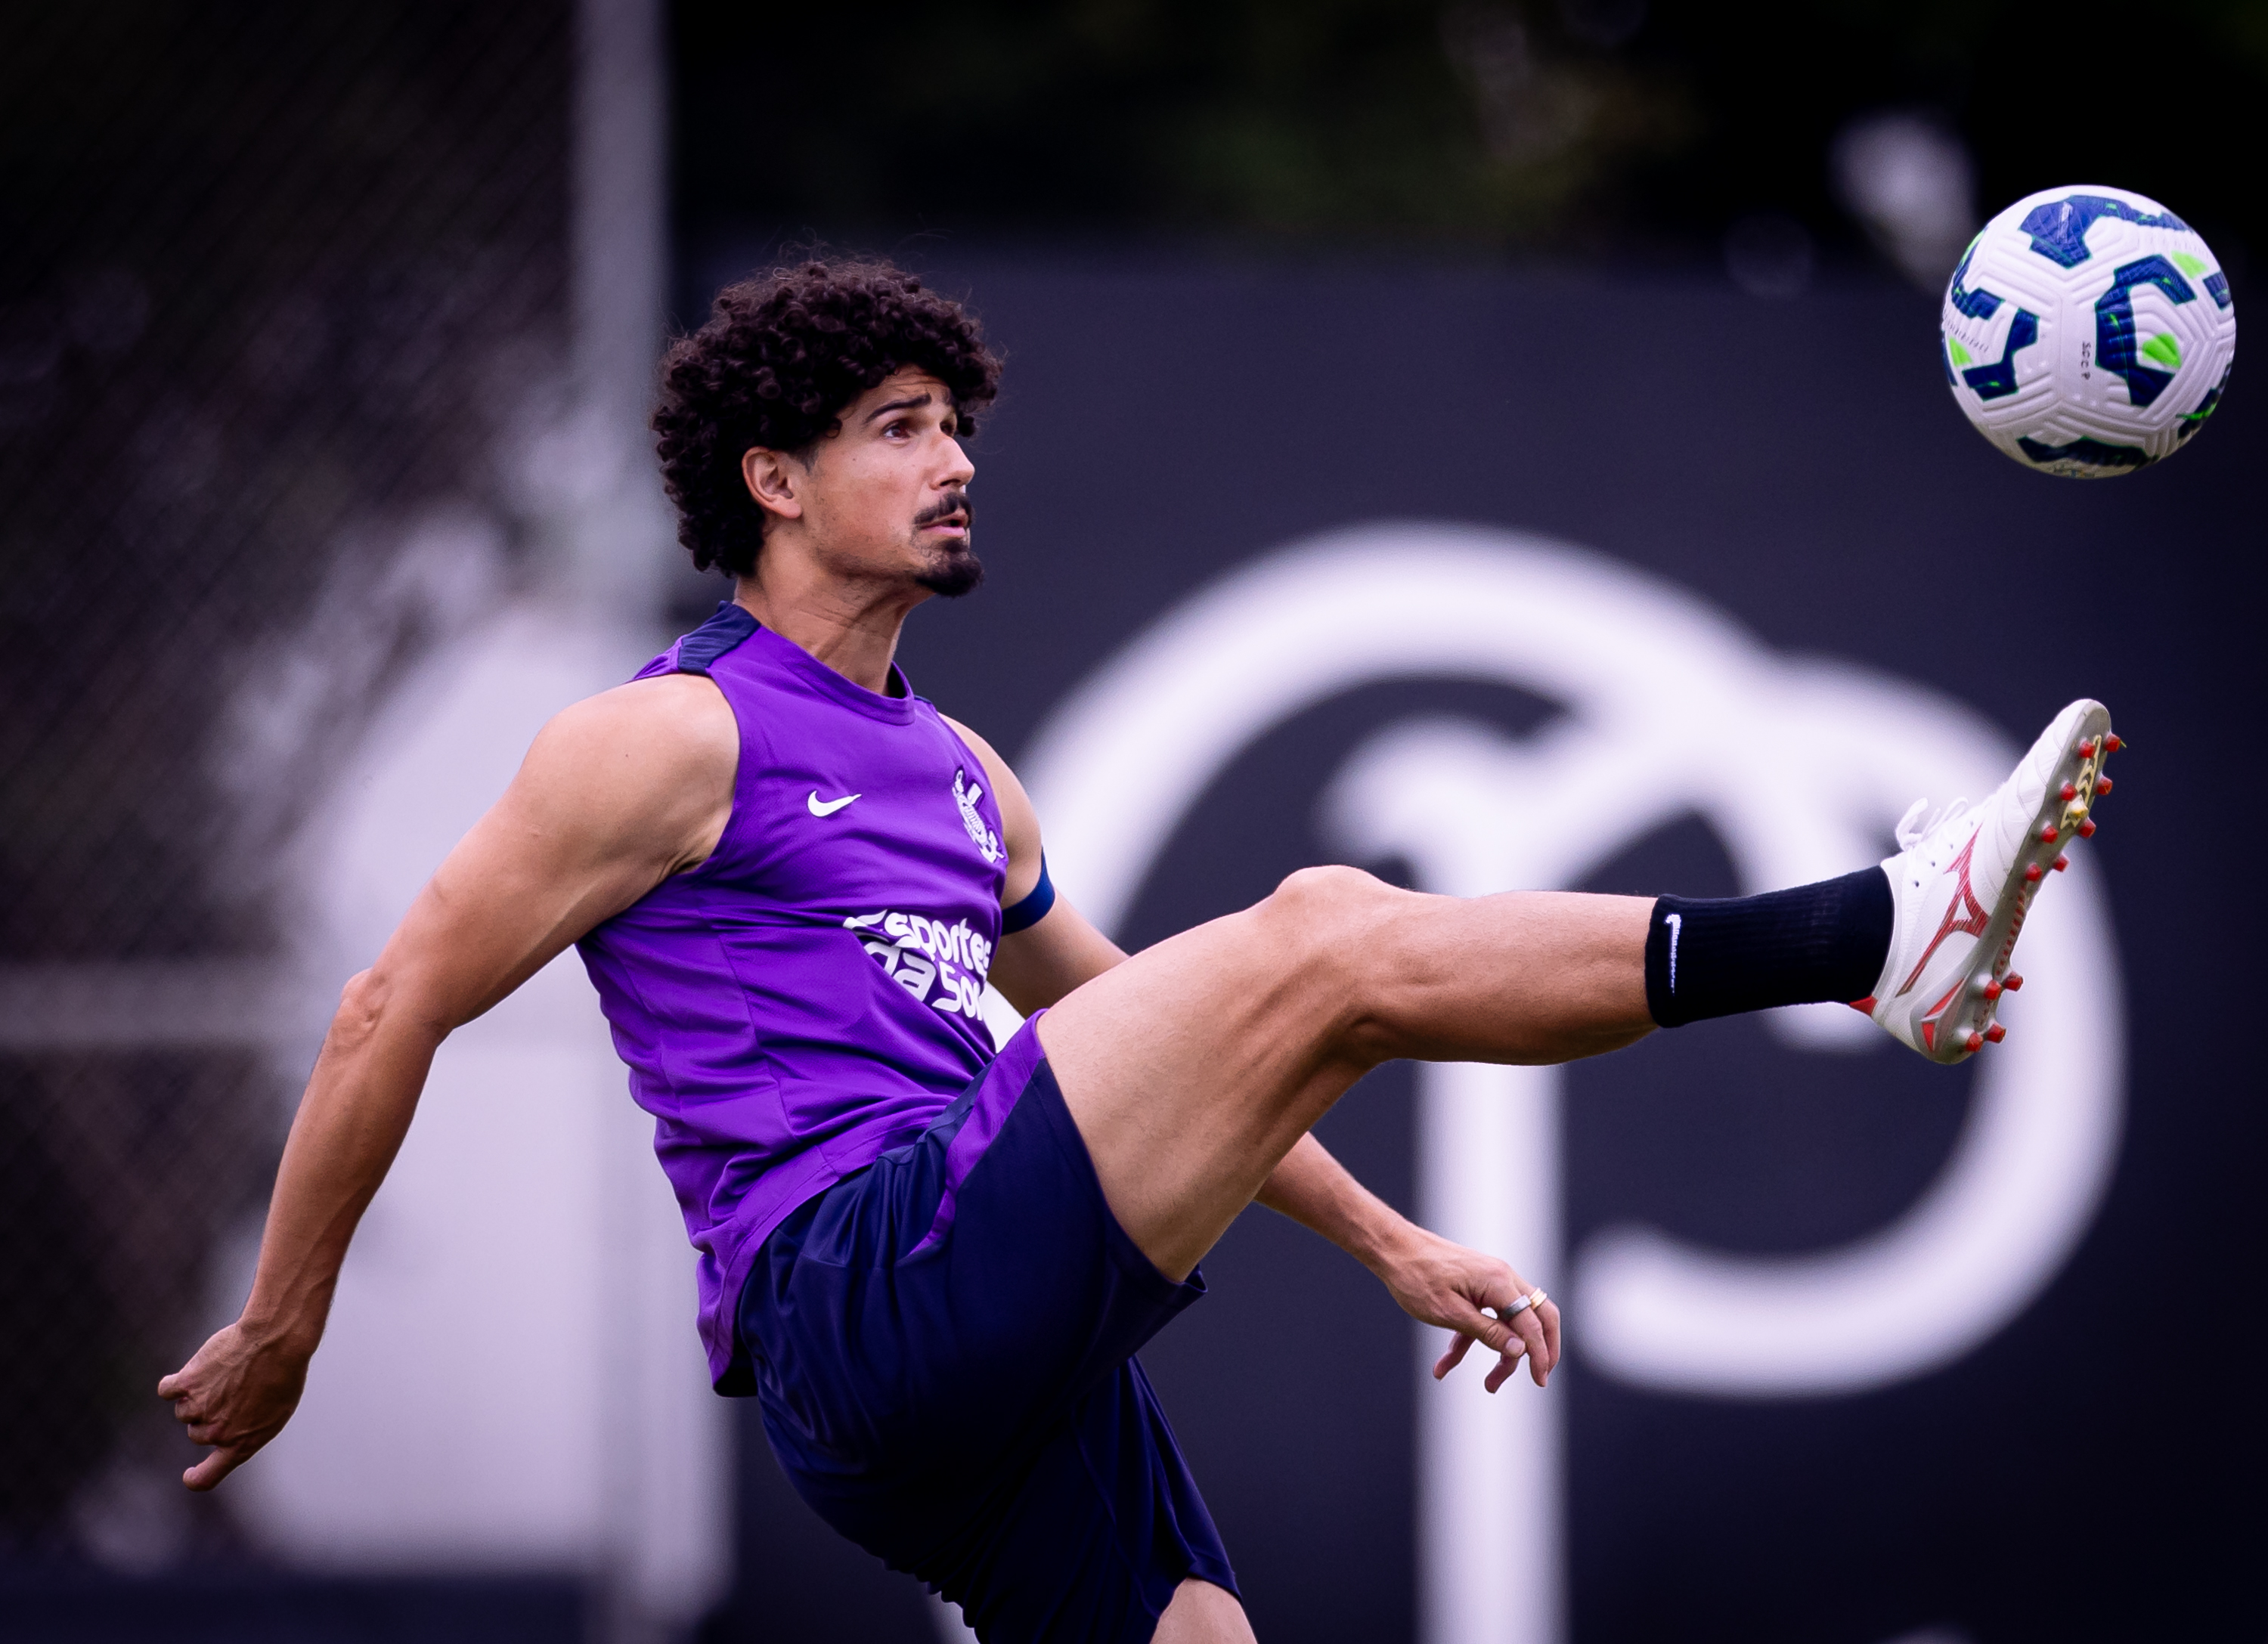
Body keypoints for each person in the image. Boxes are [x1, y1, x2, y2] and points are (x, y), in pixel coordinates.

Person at [159, 259, 2117, 1642]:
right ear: (772, 482)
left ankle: (1885, 951)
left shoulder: (964, 780)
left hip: (984, 1369)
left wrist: (1401, 1249)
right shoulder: (673, 738)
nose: (956, 461)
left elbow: (1161, 1047)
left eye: (958, 427)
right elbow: (388, 1001)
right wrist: (288, 1324)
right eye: (899, 429)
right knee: (1324, 935)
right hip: (864, 1287)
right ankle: (1874, 937)